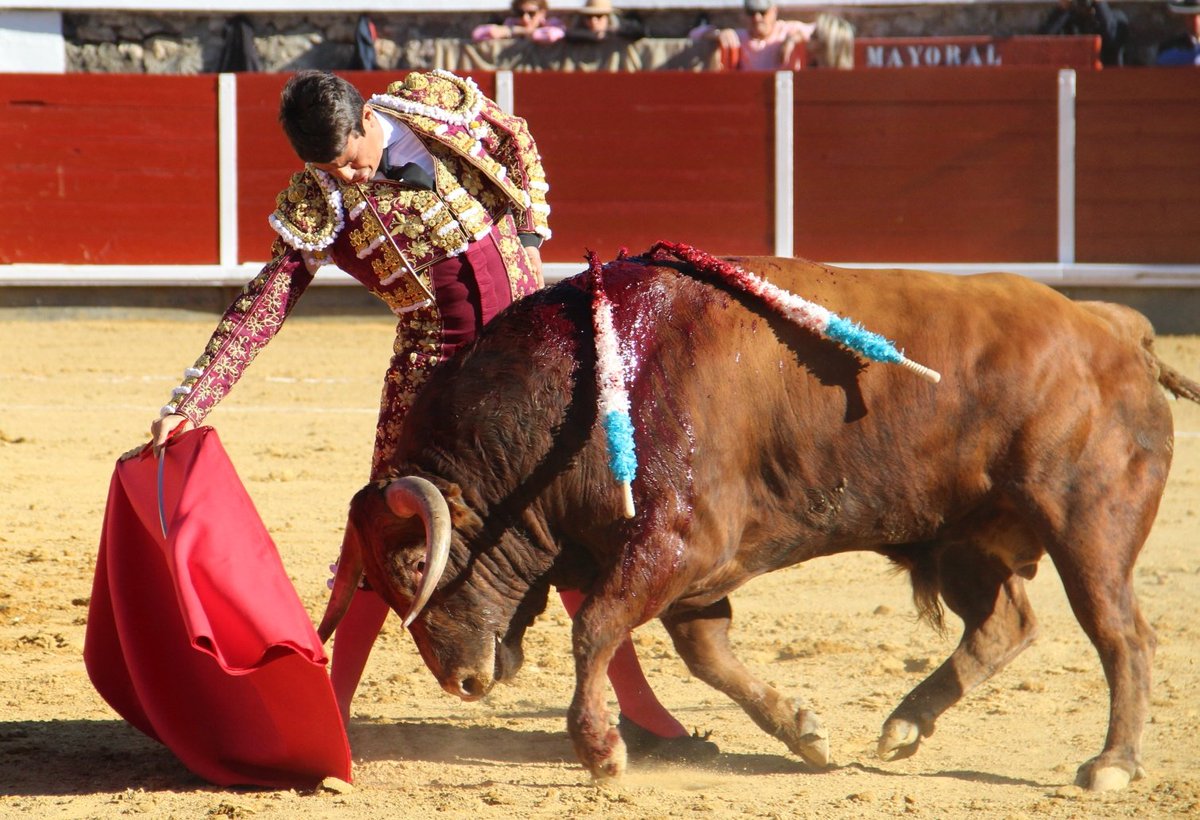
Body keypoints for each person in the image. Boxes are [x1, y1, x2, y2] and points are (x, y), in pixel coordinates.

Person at [146, 69, 714, 762]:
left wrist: (531, 224)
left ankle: (642, 714)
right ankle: (328, 712)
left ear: (363, 121)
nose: (344, 178)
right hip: (435, 382)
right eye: (324, 168)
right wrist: (191, 401)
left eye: (347, 159)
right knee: (390, 538)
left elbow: (514, 136)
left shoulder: (433, 103)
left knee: (562, 527)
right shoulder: (320, 195)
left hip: (536, 366)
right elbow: (266, 302)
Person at [689, 0, 851, 71]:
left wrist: (793, 39)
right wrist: (716, 34)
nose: (757, 18)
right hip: (749, 99)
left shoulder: (788, 30)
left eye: (762, 12)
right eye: (751, 12)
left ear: (774, 11)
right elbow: (694, 34)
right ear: (744, 14)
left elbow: (826, 31)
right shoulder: (738, 38)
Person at [1037, 0, 1130, 67]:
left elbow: (1112, 38)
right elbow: (1040, 43)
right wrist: (1062, 10)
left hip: (1105, 78)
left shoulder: (1116, 18)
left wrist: (1100, 6)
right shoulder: (1066, 21)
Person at [472, 0, 567, 44]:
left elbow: (552, 35)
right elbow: (477, 34)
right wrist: (516, 30)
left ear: (542, 13)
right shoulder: (512, 24)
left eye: (531, 13)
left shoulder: (551, 24)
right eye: (520, 13)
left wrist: (527, 32)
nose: (525, 18)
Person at [565, 0, 646, 43]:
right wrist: (591, 36)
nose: (593, 21)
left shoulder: (620, 25)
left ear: (608, 17)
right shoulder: (578, 27)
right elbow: (570, 35)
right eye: (589, 17)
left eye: (599, 16)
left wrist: (609, 32)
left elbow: (640, 32)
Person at [1156, 0, 1200, 65]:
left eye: (1199, 15)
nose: (1195, 21)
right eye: (1190, 16)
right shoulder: (1169, 48)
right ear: (1185, 18)